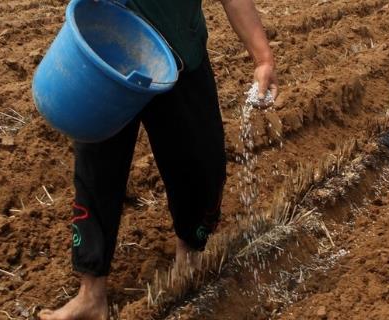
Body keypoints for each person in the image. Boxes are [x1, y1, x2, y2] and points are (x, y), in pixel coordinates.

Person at [38, 0, 278, 318]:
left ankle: (189, 257)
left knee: (200, 164)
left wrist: (262, 57)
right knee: (97, 170)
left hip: (178, 51)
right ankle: (91, 295)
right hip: (110, 49)